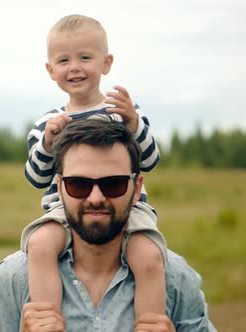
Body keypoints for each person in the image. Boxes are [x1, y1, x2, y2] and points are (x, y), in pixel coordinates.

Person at [0, 119, 216, 331]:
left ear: (136, 189)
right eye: (78, 184)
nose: (95, 198)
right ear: (60, 188)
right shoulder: (15, 277)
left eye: (113, 184)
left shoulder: (174, 278)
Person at [22, 14, 166, 321]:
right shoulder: (46, 123)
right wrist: (47, 144)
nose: (74, 67)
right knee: (39, 246)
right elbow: (35, 178)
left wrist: (134, 123)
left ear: (106, 63)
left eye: (85, 57)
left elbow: (151, 160)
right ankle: (47, 320)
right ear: (51, 70)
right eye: (63, 60)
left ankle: (150, 324)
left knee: (150, 257)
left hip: (125, 206)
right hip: (66, 208)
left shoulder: (121, 111)